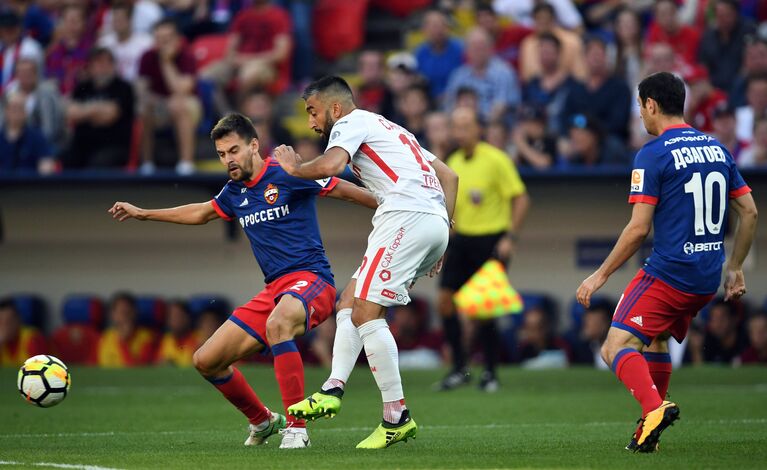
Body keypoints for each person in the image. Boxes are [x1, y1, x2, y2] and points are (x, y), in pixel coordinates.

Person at [108, 112, 377, 449]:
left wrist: (400, 212)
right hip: (276, 292)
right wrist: (144, 213)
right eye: (221, 155)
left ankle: (296, 429)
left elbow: (349, 192)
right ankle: (262, 421)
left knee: (278, 324)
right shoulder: (234, 191)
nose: (228, 160)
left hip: (313, 281)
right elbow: (202, 213)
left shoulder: (289, 174)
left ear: (253, 145)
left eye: (233, 151)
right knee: (206, 361)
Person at [272, 76, 458, 449]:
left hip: (405, 216)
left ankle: (396, 417)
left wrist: (294, 168)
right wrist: (444, 234)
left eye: (312, 111)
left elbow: (332, 164)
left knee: (367, 313)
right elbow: (449, 177)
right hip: (429, 219)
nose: (311, 122)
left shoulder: (350, 123)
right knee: (349, 302)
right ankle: (333, 387)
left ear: (335, 108)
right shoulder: (391, 127)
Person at [576, 71, 758, 453]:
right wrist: (736, 267)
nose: (640, 115)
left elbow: (638, 229)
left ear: (651, 105)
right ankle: (650, 428)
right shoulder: (716, 148)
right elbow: (750, 212)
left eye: (640, 107)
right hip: (707, 276)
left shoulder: (654, 153)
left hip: (671, 272)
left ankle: (654, 407)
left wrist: (599, 275)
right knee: (655, 337)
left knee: (614, 346)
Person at [435, 106, 529, 392]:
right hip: (462, 239)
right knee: (445, 300)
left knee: (484, 309)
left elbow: (521, 198)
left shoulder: (497, 159)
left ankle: (489, 372)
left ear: (479, 129)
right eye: (456, 126)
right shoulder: (453, 161)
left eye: (466, 125)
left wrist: (509, 237)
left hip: (491, 240)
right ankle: (459, 368)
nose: (460, 131)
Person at [137, 18, 201, 175]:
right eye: (159, 39)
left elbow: (181, 90)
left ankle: (186, 163)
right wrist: (149, 98)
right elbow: (141, 90)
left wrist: (166, 62)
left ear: (178, 39)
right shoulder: (147, 56)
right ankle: (147, 164)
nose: (163, 43)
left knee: (177, 105)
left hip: (189, 104)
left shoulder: (187, 56)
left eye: (167, 39)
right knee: (144, 108)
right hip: (160, 104)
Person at [61, 47, 135, 169]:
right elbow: (70, 114)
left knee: (97, 163)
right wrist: (99, 110)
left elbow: (111, 115)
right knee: (63, 159)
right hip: (82, 145)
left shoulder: (123, 87)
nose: (104, 66)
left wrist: (84, 112)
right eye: (99, 62)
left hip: (113, 146)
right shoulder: (82, 87)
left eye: (108, 62)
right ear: (90, 67)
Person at [443, 27, 520, 124]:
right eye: (473, 47)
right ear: (466, 51)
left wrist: (481, 125)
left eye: (481, 47)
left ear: (491, 48)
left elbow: (501, 106)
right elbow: (449, 104)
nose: (477, 51)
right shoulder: (458, 75)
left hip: (495, 125)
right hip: (464, 125)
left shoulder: (503, 73)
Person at [0, 91, 55, 173]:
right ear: (6, 111)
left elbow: (46, 166)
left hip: (29, 184)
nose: (17, 112)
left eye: (21, 108)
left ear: (26, 112)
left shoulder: (37, 137)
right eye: (14, 108)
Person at [414, 9, 464, 101]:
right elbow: (419, 80)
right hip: (429, 100)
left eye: (442, 25)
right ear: (424, 30)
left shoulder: (460, 49)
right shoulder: (420, 53)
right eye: (434, 26)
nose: (439, 30)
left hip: (457, 98)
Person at [97, 2, 154, 82]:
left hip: (136, 86)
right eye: (115, 20)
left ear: (130, 20)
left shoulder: (146, 43)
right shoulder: (104, 43)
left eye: (121, 19)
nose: (117, 23)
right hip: (112, 86)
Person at [97, 292, 157, 367]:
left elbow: (139, 372)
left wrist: (123, 343)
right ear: (113, 315)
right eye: (121, 312)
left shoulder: (147, 337)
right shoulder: (104, 337)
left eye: (128, 312)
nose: (125, 316)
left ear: (135, 313)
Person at [0, 298, 47, 366]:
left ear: (18, 320)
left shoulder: (32, 337)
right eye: (1, 321)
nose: (6, 326)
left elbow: (40, 366)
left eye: (9, 321)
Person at [156, 300, 198, 366]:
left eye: (178, 315)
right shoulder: (165, 340)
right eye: (171, 316)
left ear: (187, 318)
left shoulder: (198, 339)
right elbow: (159, 365)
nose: (175, 320)